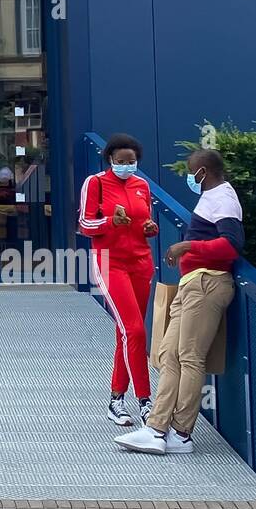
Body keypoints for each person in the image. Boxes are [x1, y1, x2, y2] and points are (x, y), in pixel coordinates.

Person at [117, 148, 243, 455]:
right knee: (168, 354)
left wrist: (188, 245)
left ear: (203, 172)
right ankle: (156, 428)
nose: (189, 177)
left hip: (207, 284)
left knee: (189, 357)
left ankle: (182, 433)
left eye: (191, 171)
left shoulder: (224, 198)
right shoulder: (212, 196)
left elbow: (231, 244)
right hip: (191, 284)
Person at [78, 133, 159, 427]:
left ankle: (115, 400)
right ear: (110, 160)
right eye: (121, 161)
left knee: (126, 334)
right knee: (135, 331)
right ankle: (145, 401)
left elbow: (145, 223)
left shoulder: (141, 185)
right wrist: (111, 221)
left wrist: (150, 227)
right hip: (110, 262)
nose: (127, 166)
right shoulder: (96, 183)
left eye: (132, 161)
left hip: (141, 262)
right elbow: (85, 225)